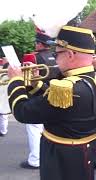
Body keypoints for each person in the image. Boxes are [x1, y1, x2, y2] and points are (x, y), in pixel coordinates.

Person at [7, 26, 96, 180]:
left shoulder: (69, 88)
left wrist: (15, 80)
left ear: (70, 54)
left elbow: (23, 112)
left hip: (62, 159)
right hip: (87, 152)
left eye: (57, 53)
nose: (55, 57)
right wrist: (35, 84)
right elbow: (60, 105)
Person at [18, 31, 57, 169]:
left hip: (36, 96)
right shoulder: (54, 56)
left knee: (34, 130)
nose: (35, 45)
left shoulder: (34, 58)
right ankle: (46, 156)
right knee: (47, 130)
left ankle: (35, 159)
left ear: (40, 44)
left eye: (36, 42)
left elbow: (27, 81)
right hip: (51, 94)